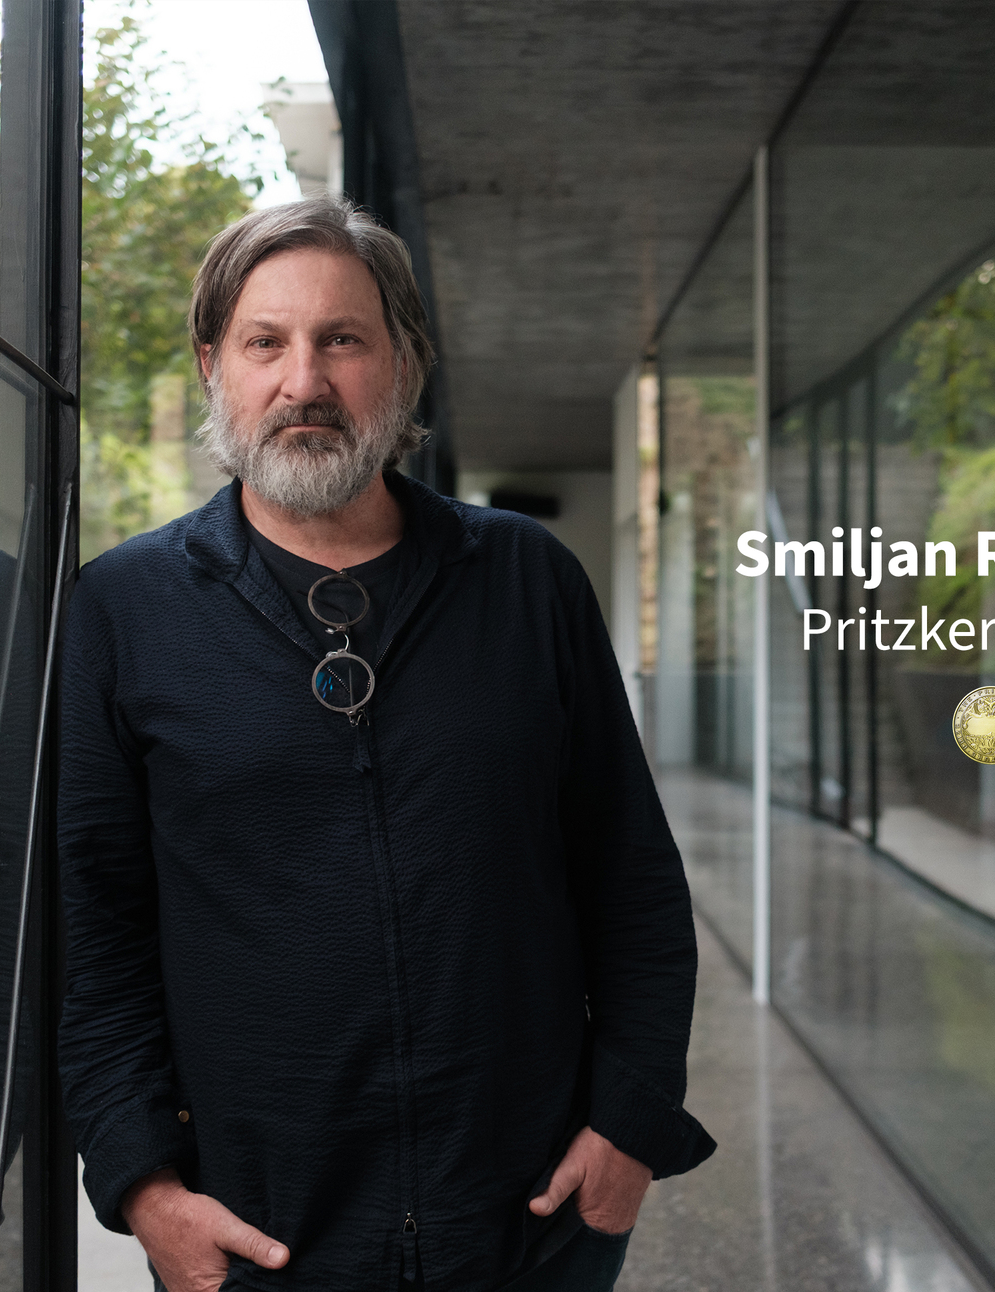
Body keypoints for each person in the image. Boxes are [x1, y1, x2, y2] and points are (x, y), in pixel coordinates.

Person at [57, 194, 713, 1292]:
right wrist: (145, 1188)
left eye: (343, 340)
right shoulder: (123, 609)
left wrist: (629, 1126)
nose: (303, 381)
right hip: (260, 1239)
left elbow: (631, 876)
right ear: (213, 365)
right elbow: (93, 934)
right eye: (265, 343)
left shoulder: (526, 579)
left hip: (533, 1221)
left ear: (403, 363)